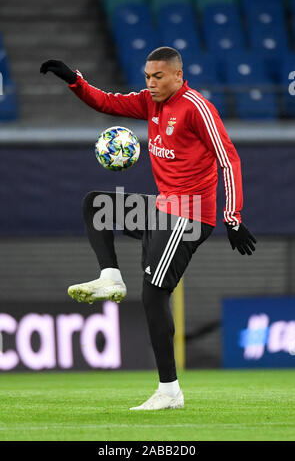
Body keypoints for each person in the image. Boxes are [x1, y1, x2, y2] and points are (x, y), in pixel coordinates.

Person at [40, 46, 257, 411]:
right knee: (97, 205)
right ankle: (110, 276)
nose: (151, 83)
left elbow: (229, 160)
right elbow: (107, 102)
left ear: (177, 74)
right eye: (147, 77)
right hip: (162, 210)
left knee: (154, 295)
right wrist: (74, 80)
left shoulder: (197, 108)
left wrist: (231, 217)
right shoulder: (149, 103)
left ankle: (169, 392)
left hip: (188, 216)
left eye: (158, 77)